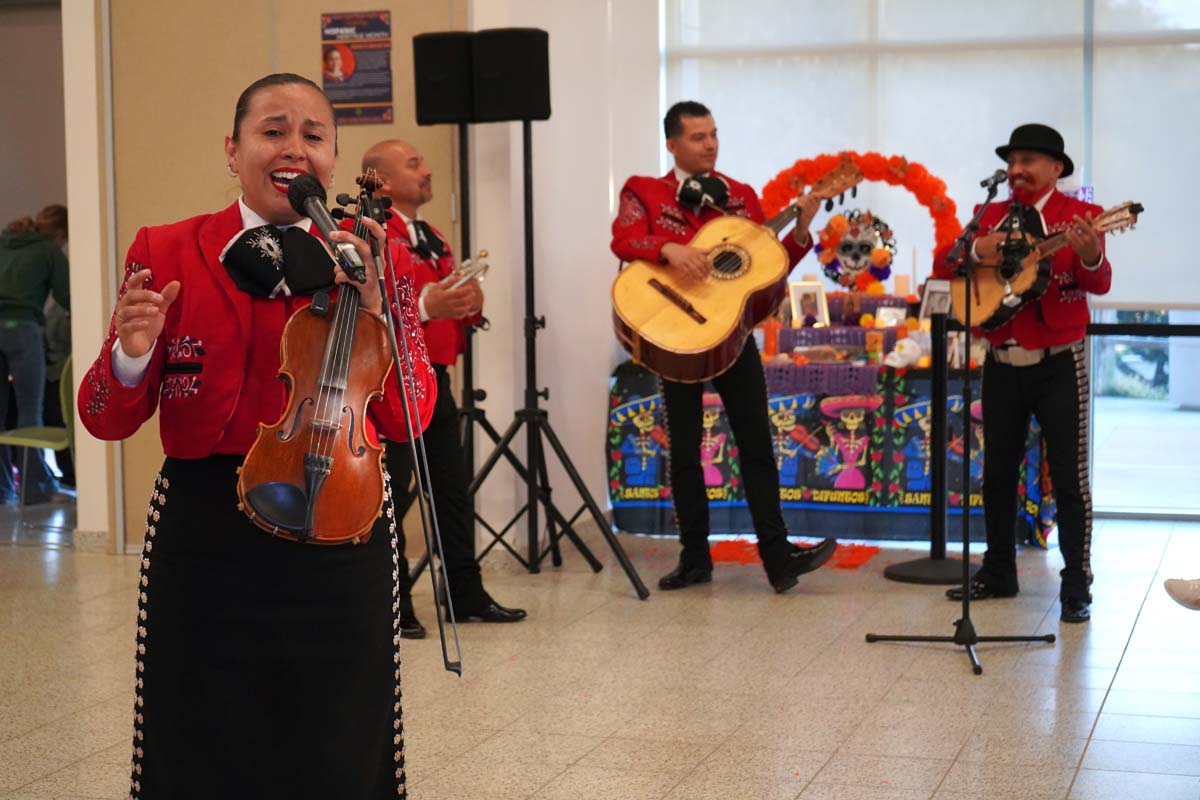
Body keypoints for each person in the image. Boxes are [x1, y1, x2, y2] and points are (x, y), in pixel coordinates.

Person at [76, 73, 435, 798]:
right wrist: (132, 352)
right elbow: (105, 416)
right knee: (202, 733)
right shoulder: (168, 248)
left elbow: (409, 418)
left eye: (313, 135)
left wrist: (382, 316)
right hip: (206, 531)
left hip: (342, 523)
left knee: (339, 736)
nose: (293, 148)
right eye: (272, 131)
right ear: (233, 150)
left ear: (333, 158)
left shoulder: (372, 258)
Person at [610, 100, 837, 593]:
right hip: (675, 332)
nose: (710, 144)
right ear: (671, 144)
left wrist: (799, 229)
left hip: (732, 337)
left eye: (714, 134)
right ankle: (695, 559)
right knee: (686, 452)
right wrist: (668, 249)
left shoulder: (742, 197)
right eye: (697, 137)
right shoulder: (643, 191)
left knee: (758, 444)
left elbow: (765, 268)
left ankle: (778, 559)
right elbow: (624, 239)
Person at [933, 123, 1111, 624]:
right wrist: (976, 251)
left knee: (1071, 479)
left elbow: (1100, 279)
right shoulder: (988, 216)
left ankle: (1076, 583)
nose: (1017, 171)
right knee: (997, 471)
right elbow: (949, 261)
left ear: (1056, 169)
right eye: (1012, 162)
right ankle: (998, 569)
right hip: (1001, 362)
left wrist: (1091, 251)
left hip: (1060, 362)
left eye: (1029, 161)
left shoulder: (1081, 217)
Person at [361, 139, 527, 635]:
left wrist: (468, 301)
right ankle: (394, 598)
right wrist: (433, 305)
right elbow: (383, 305)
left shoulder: (430, 234)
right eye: (414, 164)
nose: (428, 171)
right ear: (383, 181)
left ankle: (463, 591)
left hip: (434, 375)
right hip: (389, 378)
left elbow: (440, 303)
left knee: (451, 488)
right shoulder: (369, 233)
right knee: (396, 492)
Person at [0, 204, 70, 503]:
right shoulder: (48, 250)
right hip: (22, 331)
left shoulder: (5, 243)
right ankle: (34, 490)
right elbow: (69, 297)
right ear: (62, 235)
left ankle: (3, 490)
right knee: (31, 409)